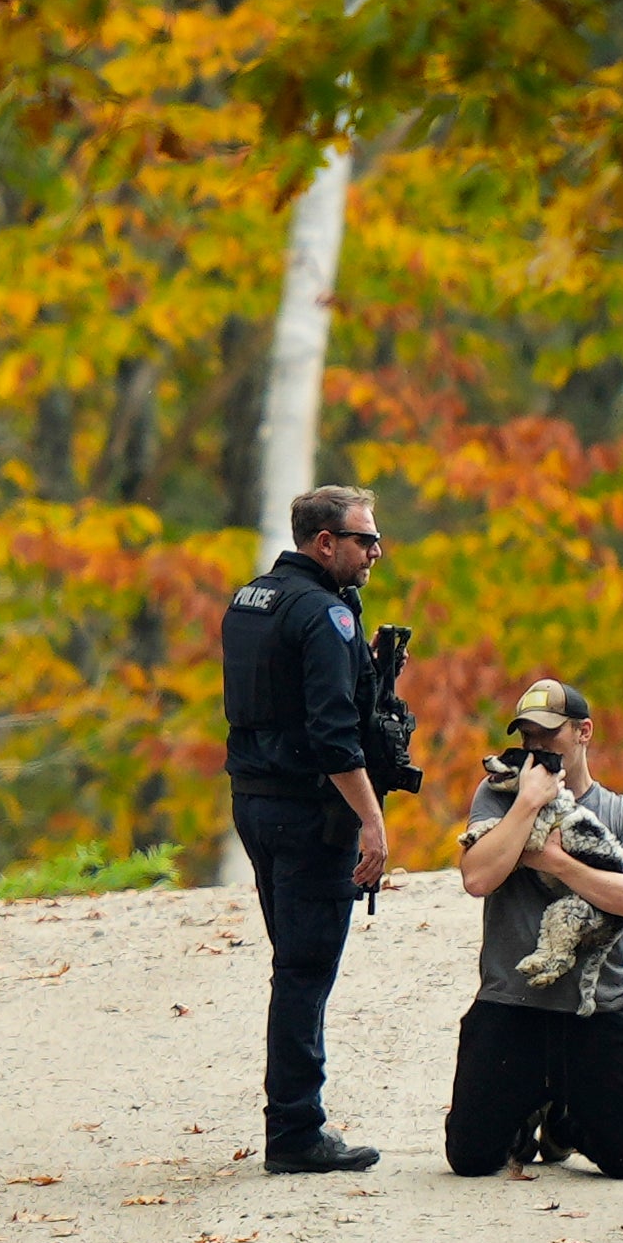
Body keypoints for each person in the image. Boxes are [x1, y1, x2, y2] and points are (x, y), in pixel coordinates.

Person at [219, 486, 402, 1174]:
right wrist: (372, 821)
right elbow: (333, 738)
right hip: (306, 811)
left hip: (255, 802)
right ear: (324, 542)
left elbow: (277, 696)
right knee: (305, 968)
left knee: (295, 960)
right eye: (364, 540)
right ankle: (295, 1131)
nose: (375, 552)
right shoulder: (326, 615)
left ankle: (294, 1121)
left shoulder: (251, 599)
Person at [445, 681, 623, 1178]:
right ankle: (527, 1113)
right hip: (510, 1002)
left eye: (548, 735)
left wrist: (555, 861)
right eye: (526, 737)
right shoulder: (501, 796)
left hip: (595, 1008)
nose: (536, 749)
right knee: (471, 1160)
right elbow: (478, 877)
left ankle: (568, 1120)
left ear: (583, 732)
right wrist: (527, 805)